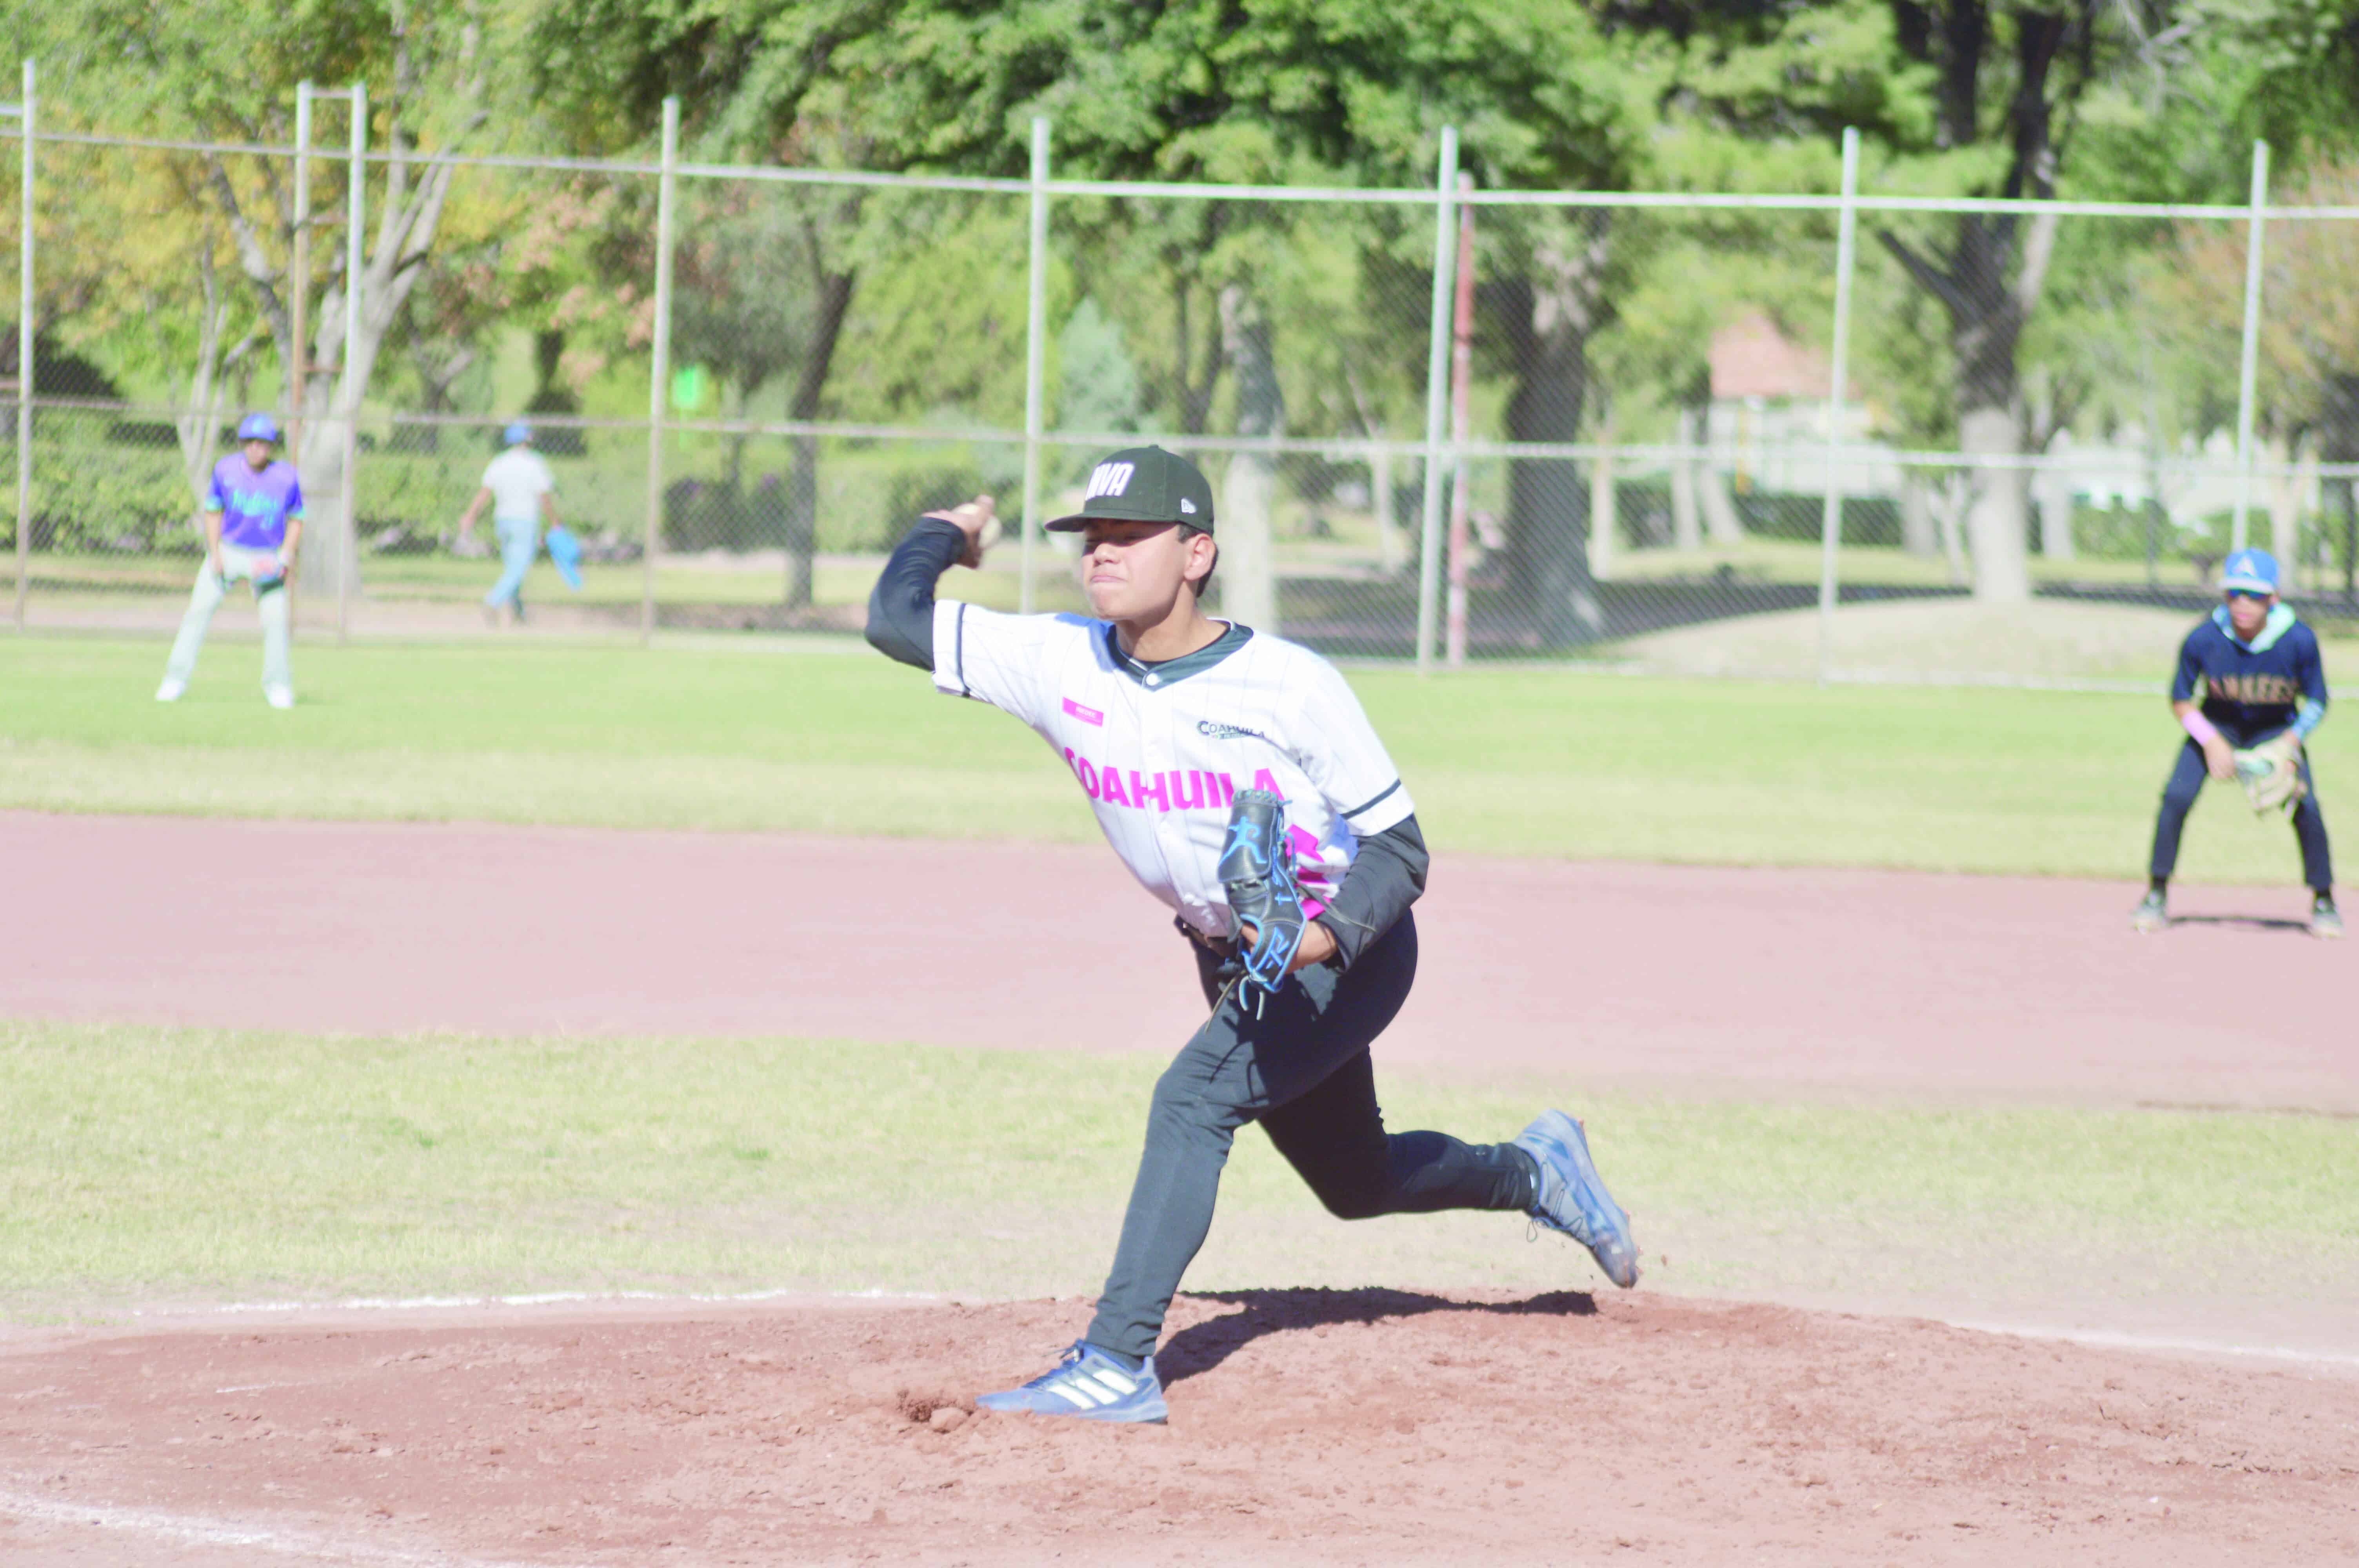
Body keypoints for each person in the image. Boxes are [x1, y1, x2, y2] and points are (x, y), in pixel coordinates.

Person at [863, 445, 1641, 1426]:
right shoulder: (1060, 662)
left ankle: (1114, 1364)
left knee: (1190, 1101)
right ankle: (1536, 1169)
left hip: (1344, 952)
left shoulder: (1287, 684)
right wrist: (949, 531)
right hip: (1234, 955)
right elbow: (895, 620)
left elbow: (1400, 854)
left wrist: (1314, 942)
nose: (1101, 553)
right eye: (1091, 537)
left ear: (1196, 553)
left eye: (1129, 535)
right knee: (1355, 1181)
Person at [2133, 548, 2338, 938]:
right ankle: (2155, 893)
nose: (2243, 604)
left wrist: (2287, 745)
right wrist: (2210, 742)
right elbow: (2180, 699)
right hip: (2217, 725)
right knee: (2175, 798)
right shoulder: (2204, 637)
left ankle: (2324, 898)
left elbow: (2316, 701)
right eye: (2234, 594)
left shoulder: (2297, 639)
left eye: (2255, 595)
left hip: (2277, 729)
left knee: (2306, 806)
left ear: (2273, 598)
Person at [156, 412, 304, 709]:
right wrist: (215, 553)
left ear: (271, 447)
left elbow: (297, 519)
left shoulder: (286, 477)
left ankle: (278, 686)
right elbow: (214, 512)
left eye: (263, 443)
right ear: (242, 444)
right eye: (250, 442)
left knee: (276, 621)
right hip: (229, 550)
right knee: (198, 611)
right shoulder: (226, 470)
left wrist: (286, 556)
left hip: (267, 557)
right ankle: (176, 679)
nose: (256, 449)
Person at [457, 422, 559, 627]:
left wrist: (470, 515)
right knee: (519, 568)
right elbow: (544, 497)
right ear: (528, 439)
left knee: (513, 567)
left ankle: (518, 612)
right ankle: (492, 602)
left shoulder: (499, 463)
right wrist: (555, 521)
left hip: (503, 521)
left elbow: (485, 493)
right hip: (526, 521)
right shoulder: (535, 464)